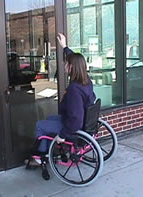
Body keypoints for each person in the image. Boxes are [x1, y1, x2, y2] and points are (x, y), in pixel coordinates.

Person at [26, 33, 96, 165]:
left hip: (74, 128)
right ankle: (46, 150)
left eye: (66, 63)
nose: (64, 65)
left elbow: (76, 119)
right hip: (83, 123)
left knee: (39, 125)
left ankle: (39, 158)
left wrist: (62, 135)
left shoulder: (74, 90)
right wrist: (64, 46)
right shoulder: (86, 80)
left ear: (71, 67)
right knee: (49, 119)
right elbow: (74, 59)